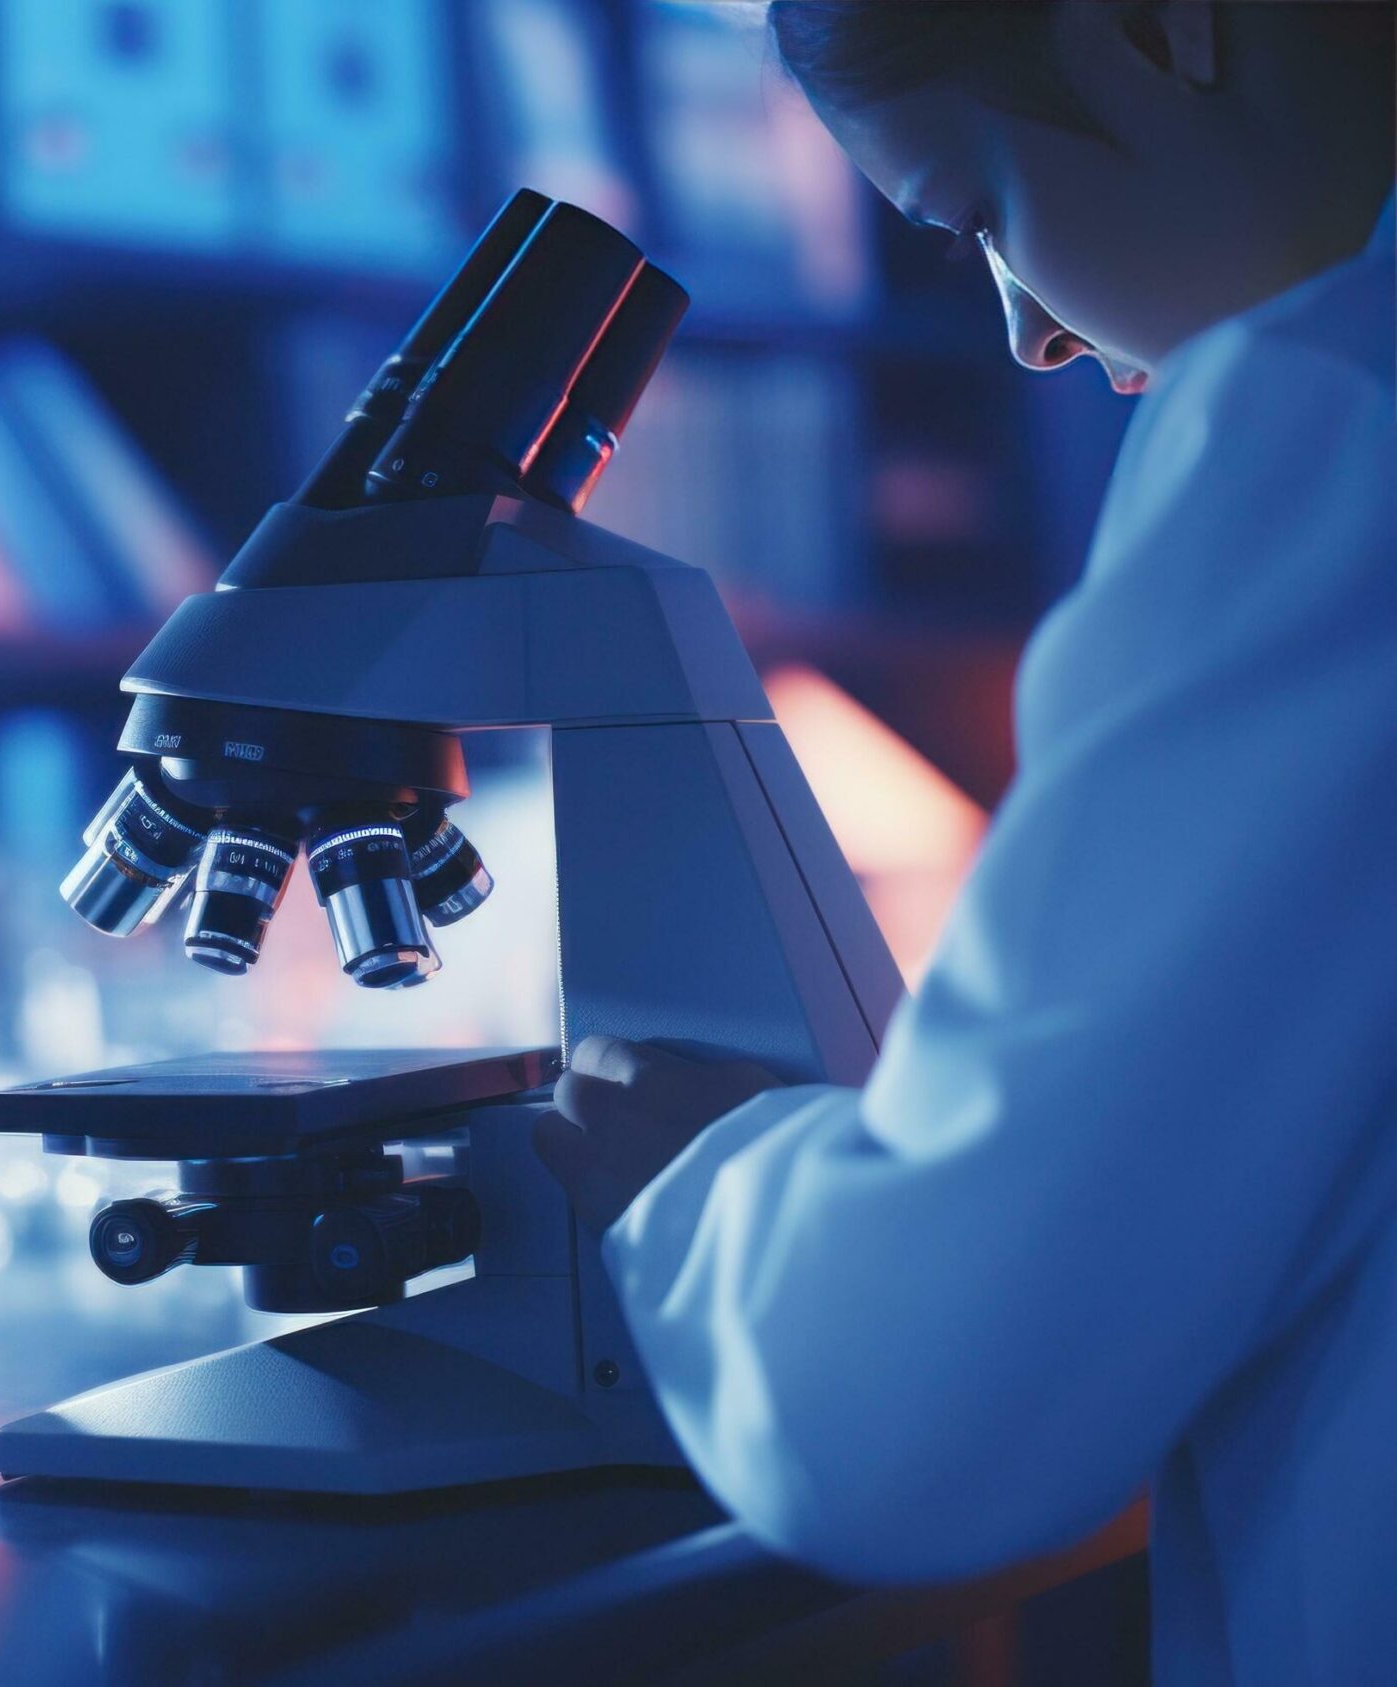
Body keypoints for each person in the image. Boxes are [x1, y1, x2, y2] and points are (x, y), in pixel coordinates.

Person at [530, 4, 1394, 1681]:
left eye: (975, 212)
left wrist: (698, 1183)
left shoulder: (1333, 425)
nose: (1029, 340)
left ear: (1159, 27)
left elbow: (906, 1418)